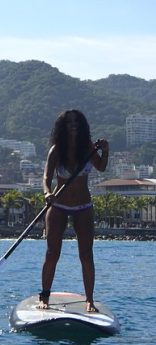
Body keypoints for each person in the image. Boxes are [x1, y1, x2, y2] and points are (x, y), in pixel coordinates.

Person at [40, 109, 109, 312]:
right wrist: (46, 194)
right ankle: (44, 296)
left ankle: (89, 300)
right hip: (58, 206)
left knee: (86, 254)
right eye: (69, 122)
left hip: (83, 208)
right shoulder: (56, 150)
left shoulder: (88, 148)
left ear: (82, 126)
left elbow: (102, 167)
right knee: (52, 253)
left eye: (77, 122)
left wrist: (105, 150)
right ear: (63, 126)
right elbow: (46, 178)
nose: (73, 125)